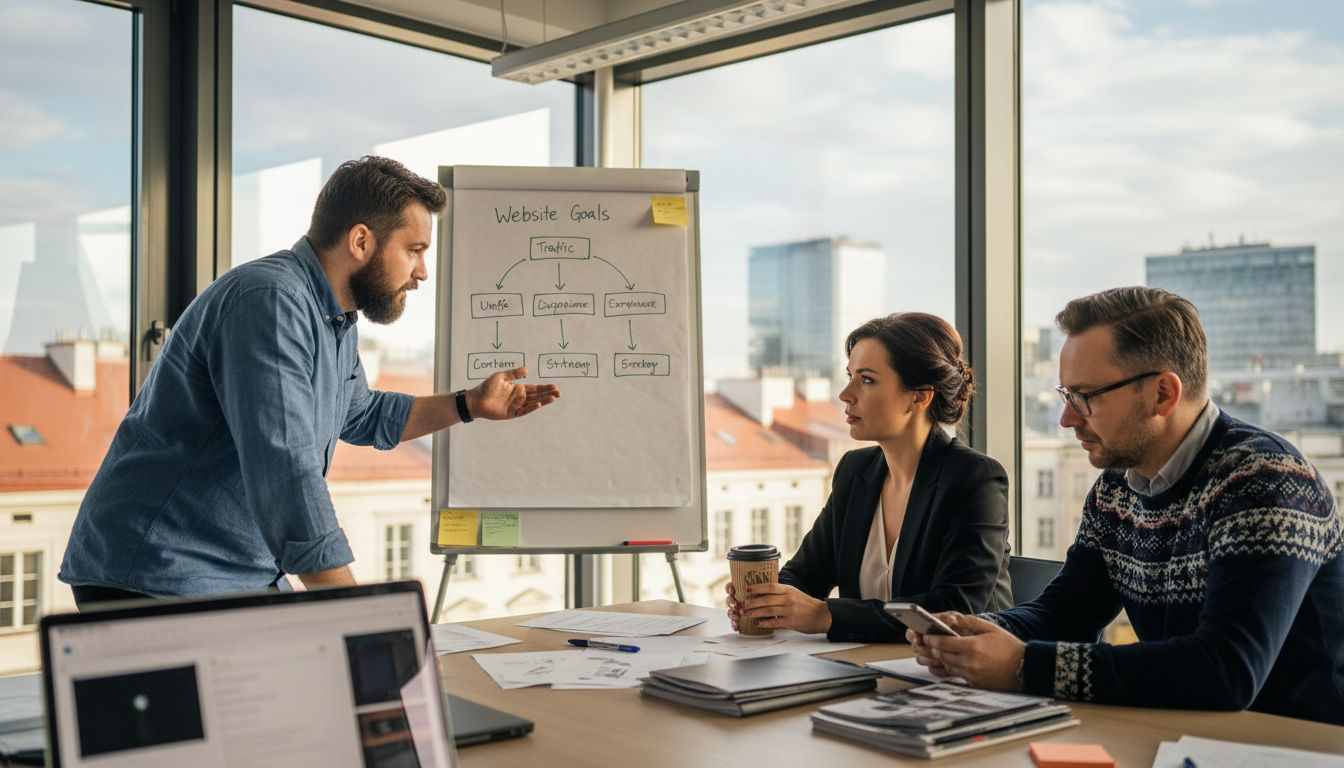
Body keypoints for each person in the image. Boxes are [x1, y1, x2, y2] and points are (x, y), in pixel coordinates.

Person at [59, 156, 560, 606]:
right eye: (414, 250)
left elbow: (361, 413)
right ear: (361, 241)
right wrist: (358, 614)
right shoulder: (271, 301)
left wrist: (469, 404)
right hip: (158, 572)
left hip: (232, 571)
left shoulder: (332, 317)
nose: (422, 272)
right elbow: (287, 471)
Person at [908, 287, 1344, 726]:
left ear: (1162, 394)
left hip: (1302, 743)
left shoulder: (1264, 480)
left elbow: (1226, 669)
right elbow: (1066, 614)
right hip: (1190, 733)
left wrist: (1024, 666)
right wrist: (975, 632)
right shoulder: (1116, 488)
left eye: (1085, 397)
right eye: (1066, 395)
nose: (1067, 419)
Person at [727, 313, 1012, 643]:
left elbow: (954, 608)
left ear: (920, 396)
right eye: (850, 376)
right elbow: (806, 573)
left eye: (867, 380)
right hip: (867, 662)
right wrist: (767, 601)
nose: (845, 394)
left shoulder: (975, 479)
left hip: (959, 666)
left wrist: (825, 615)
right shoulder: (855, 471)